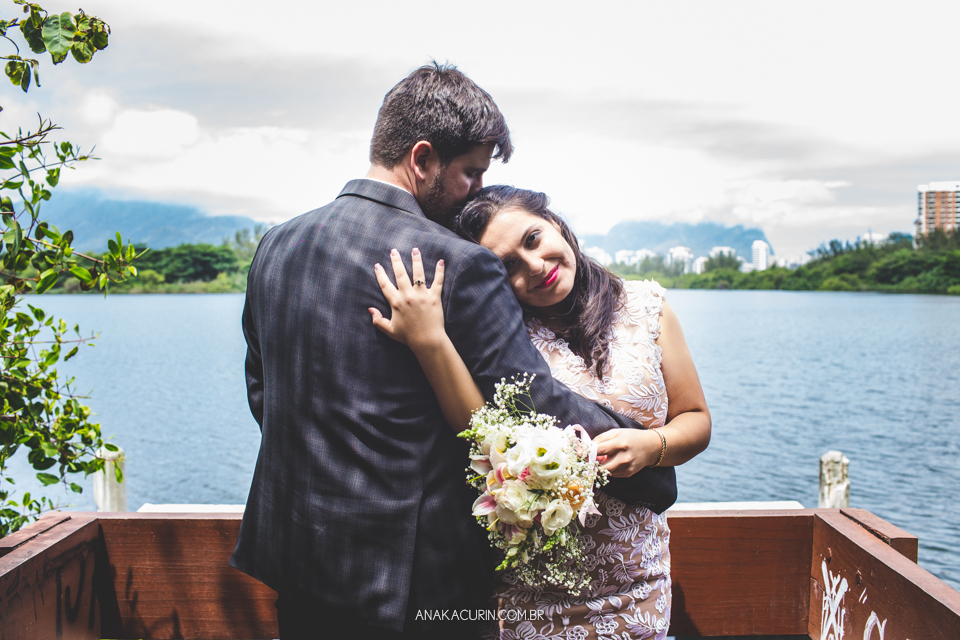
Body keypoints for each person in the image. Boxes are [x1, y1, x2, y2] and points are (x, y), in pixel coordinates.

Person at [231, 63, 677, 640]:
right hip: (413, 585)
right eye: (471, 172)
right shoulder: (455, 262)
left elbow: (263, 393)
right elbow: (529, 402)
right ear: (422, 159)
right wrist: (650, 471)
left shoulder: (277, 245)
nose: (473, 190)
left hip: (295, 561)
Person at [370, 185, 711, 639]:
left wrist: (654, 445)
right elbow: (477, 427)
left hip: (638, 583)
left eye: (533, 239)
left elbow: (696, 420)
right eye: (507, 265)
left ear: (554, 223)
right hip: (532, 592)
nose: (534, 266)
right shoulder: (501, 337)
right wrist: (428, 339)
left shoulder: (647, 306)